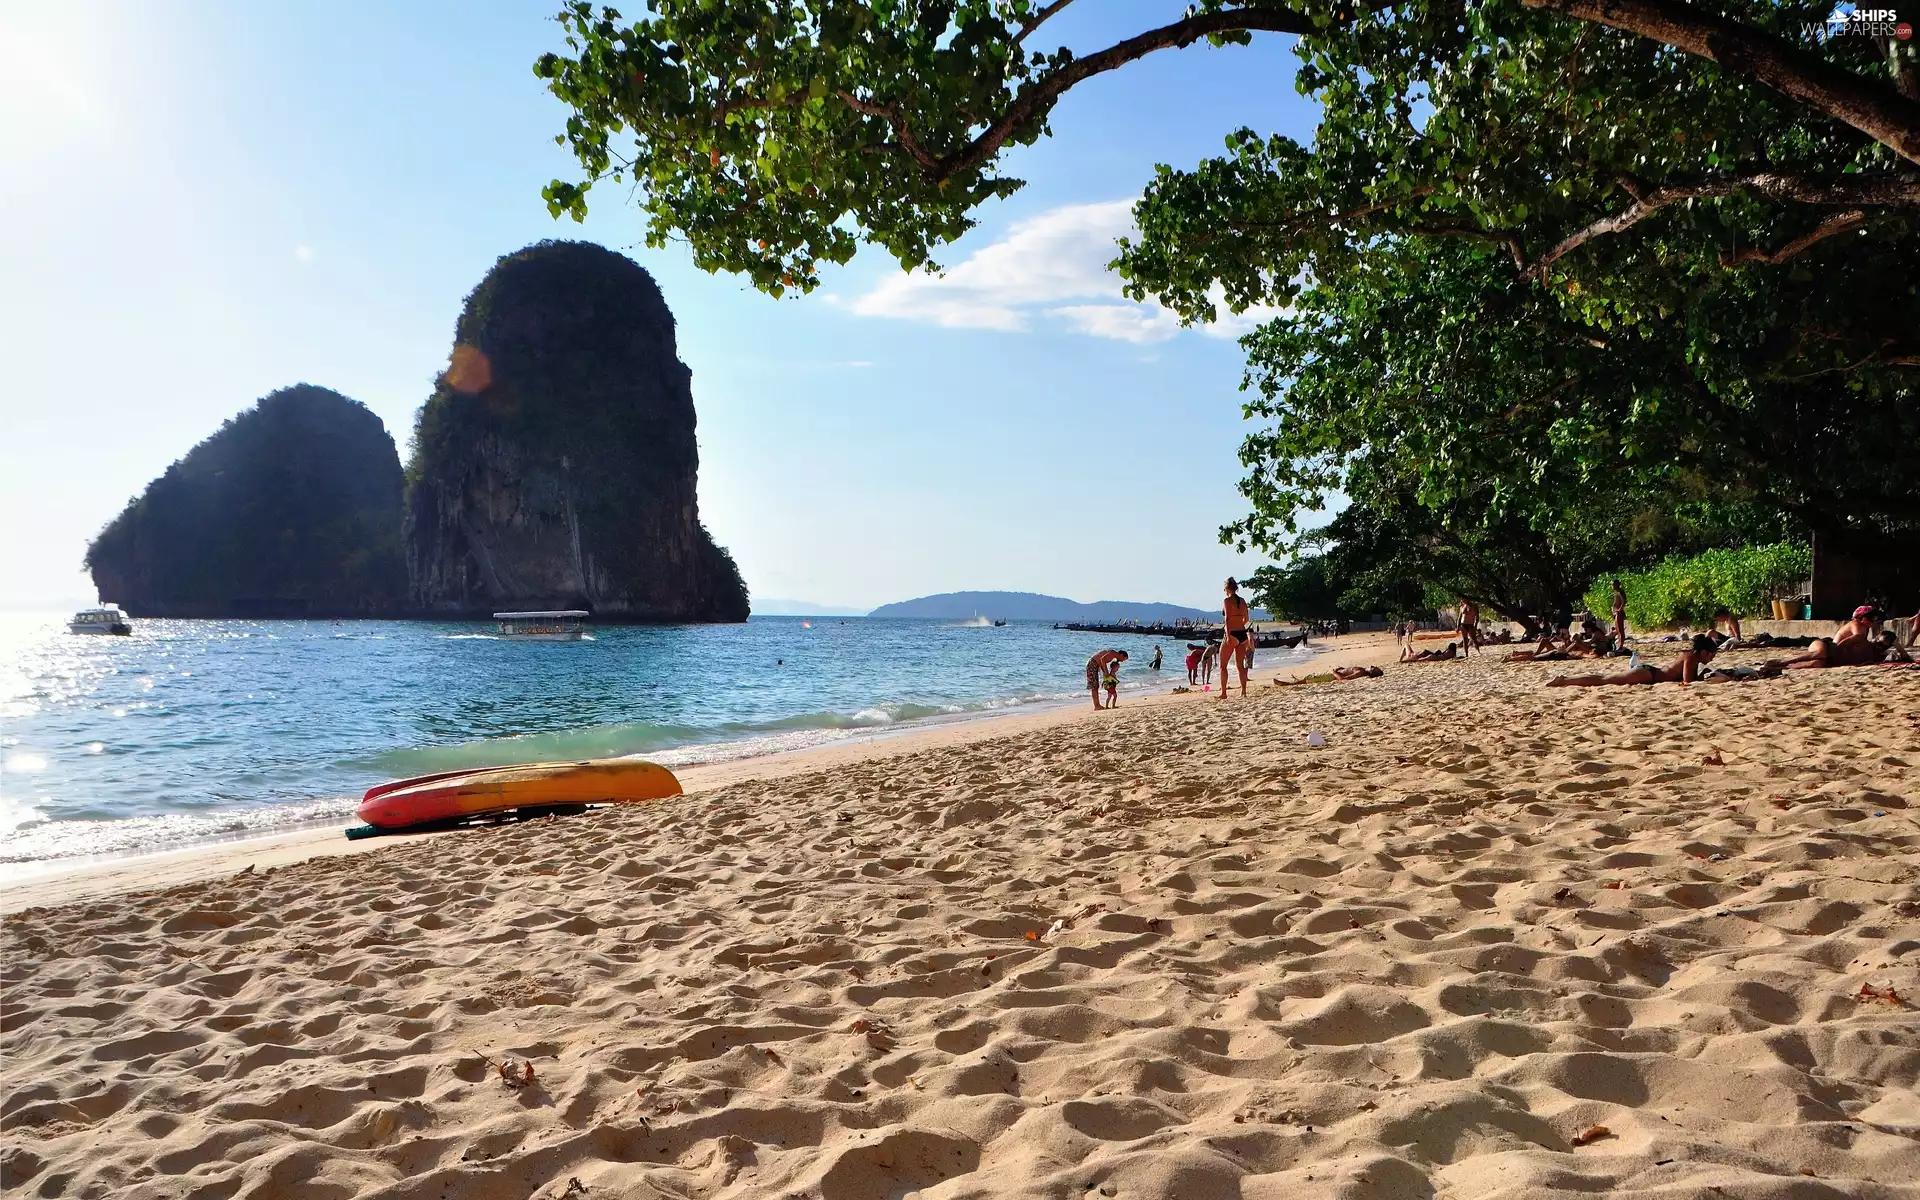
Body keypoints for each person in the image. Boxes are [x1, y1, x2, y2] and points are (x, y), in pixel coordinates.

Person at [1547, 634, 1716, 686]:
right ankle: (1564, 681)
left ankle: (1566, 680)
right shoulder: (1691, 658)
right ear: (1703, 652)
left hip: (1648, 672)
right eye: (1711, 655)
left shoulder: (1690, 656)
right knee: (1605, 681)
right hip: (1647, 675)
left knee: (1605, 679)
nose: (1711, 658)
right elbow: (1687, 681)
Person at [1775, 606, 1891, 670]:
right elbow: (1855, 637)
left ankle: (1786, 666)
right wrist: (1841, 648)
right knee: (1820, 654)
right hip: (1827, 646)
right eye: (1871, 618)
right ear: (1862, 618)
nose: (1873, 621)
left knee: (1816, 664)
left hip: (1834, 655)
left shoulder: (1865, 629)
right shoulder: (1856, 625)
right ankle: (1784, 661)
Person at [1220, 577, 1254, 698]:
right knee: (1240, 665)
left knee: (1223, 666)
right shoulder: (1243, 601)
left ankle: (1224, 693)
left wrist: (1228, 635)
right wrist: (1239, 622)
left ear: (1227, 588)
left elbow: (1227, 618)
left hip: (1232, 633)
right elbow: (1247, 619)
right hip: (1242, 634)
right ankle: (1243, 691)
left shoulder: (1227, 601)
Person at [1611, 580, 1628, 651]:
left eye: (1613, 584)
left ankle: (1621, 645)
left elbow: (1624, 601)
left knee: (1620, 630)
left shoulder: (1620, 591)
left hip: (1619, 613)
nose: (1612, 586)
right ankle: (1619, 644)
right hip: (1616, 612)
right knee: (1617, 629)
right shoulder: (1616, 592)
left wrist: (1619, 609)